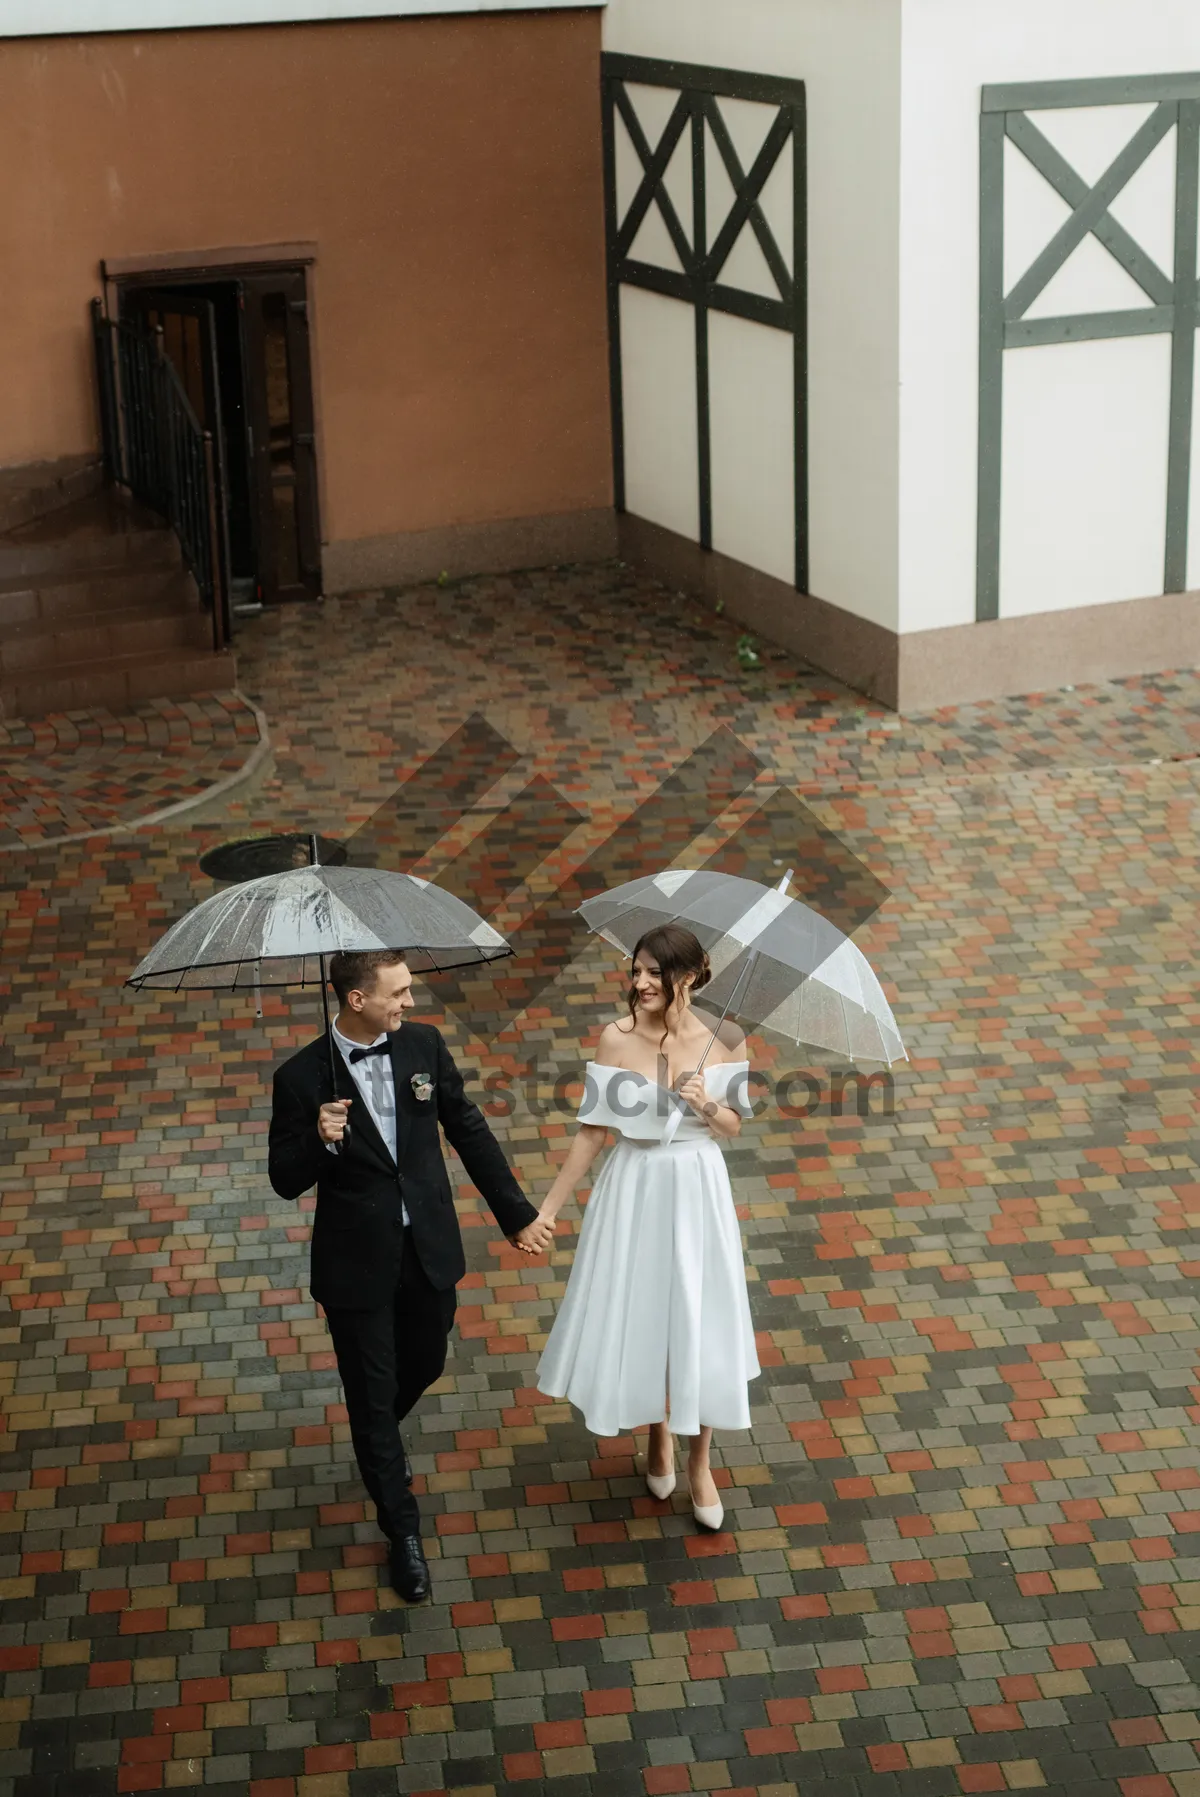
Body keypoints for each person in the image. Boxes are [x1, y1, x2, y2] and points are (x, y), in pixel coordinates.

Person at [267, 948, 551, 1600]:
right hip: (354, 1267)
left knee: (423, 1360)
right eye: (397, 992)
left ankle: (376, 1438)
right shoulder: (300, 1077)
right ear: (357, 999)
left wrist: (515, 1214)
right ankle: (404, 1531)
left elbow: (467, 1127)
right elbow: (285, 1179)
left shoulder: (421, 1045)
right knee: (372, 1401)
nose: (410, 1002)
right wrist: (321, 1136)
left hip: (428, 1251)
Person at [533, 924, 759, 1530]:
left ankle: (700, 1462)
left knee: (699, 1317)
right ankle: (657, 1433)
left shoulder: (727, 1038)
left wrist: (705, 1104)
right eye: (636, 971)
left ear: (688, 976)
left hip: (697, 1190)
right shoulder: (616, 1039)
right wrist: (549, 1209)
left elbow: (735, 1125)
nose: (640, 983)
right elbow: (592, 1132)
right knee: (649, 1313)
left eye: (654, 973)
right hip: (635, 1187)